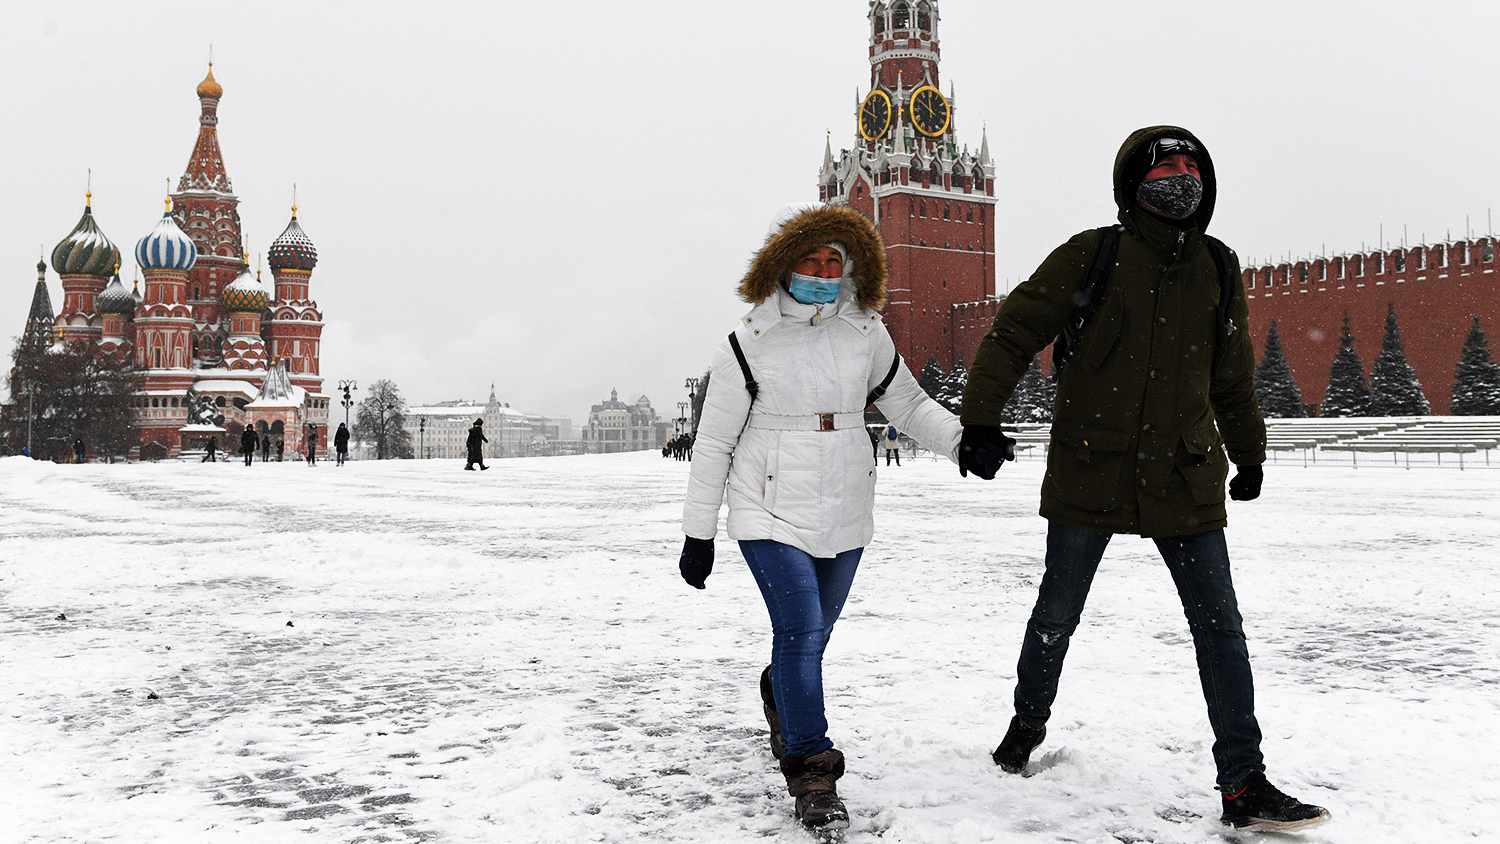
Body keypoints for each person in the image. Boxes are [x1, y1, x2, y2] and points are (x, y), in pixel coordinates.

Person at [958, 127, 1329, 833]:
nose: (1180, 178)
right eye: (1166, 168)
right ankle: (1026, 723)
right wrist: (980, 420)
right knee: (1057, 616)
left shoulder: (1218, 269)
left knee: (1222, 630)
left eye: (1191, 167)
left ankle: (1243, 784)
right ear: (1135, 183)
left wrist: (1250, 453)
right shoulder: (1093, 255)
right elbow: (1013, 330)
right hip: (1090, 466)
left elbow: (1231, 375)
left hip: (1183, 476)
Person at [679, 204, 965, 833]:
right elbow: (714, 444)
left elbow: (910, 404)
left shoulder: (866, 333)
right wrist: (698, 534)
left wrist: (962, 440)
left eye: (835, 260)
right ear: (782, 265)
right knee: (803, 630)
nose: (823, 269)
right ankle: (812, 769)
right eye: (811, 257)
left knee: (807, 641)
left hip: (844, 502)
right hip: (768, 506)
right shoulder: (745, 344)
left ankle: (782, 691)